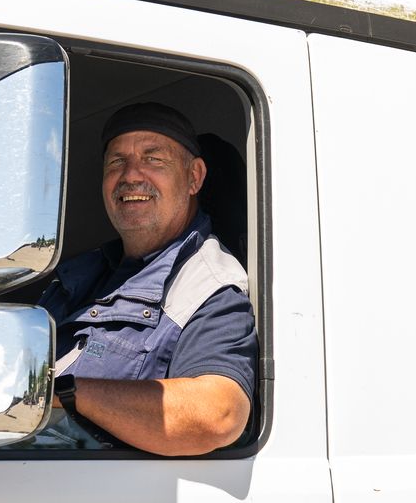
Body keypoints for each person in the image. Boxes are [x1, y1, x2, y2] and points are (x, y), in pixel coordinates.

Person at [37, 102, 255, 456]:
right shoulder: (79, 275)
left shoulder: (208, 285)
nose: (131, 175)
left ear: (194, 177)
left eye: (153, 159)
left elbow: (219, 414)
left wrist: (65, 393)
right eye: (116, 162)